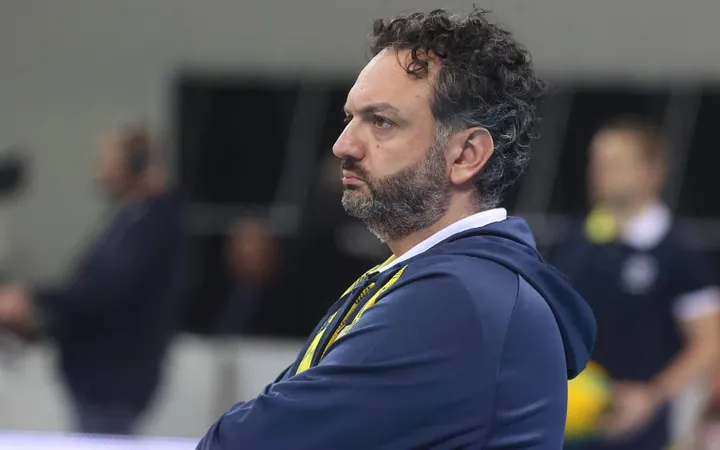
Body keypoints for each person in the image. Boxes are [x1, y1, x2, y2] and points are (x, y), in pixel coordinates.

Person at [196, 8, 596, 450]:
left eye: (381, 122)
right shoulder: (440, 279)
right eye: (350, 118)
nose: (343, 145)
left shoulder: (456, 299)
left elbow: (244, 443)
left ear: (466, 155)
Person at [552, 117, 720, 450]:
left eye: (615, 163)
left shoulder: (678, 252)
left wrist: (651, 396)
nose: (599, 172)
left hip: (640, 435)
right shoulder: (574, 241)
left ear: (651, 172)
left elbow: (711, 343)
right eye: (596, 162)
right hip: (568, 430)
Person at [0, 123, 187, 435]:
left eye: (107, 162)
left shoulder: (149, 226)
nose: (99, 173)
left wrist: (30, 301)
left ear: (136, 164)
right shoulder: (134, 220)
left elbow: (101, 292)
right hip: (102, 380)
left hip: (112, 381)